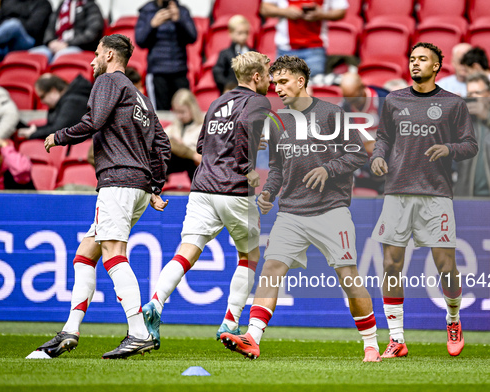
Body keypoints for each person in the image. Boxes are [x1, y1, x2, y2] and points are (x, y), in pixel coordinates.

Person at [221, 55, 381, 363]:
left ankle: (371, 345)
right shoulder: (278, 120)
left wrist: (329, 169)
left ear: (301, 81)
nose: (277, 88)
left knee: (348, 276)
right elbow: (278, 167)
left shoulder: (331, 113)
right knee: (270, 270)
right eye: (274, 82)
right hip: (291, 212)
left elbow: (358, 154)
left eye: (283, 82)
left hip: (330, 209)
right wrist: (268, 191)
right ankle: (252, 338)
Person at [28, 34, 172, 360]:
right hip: (136, 186)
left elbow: (94, 121)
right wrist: (154, 187)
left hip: (117, 182)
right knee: (85, 255)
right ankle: (70, 329)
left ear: (108, 54)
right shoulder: (141, 97)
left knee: (113, 254)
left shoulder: (109, 81)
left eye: (95, 55)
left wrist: (58, 136)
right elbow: (162, 146)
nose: (91, 62)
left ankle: (138, 332)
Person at [141, 51, 272, 349]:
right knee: (249, 255)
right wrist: (246, 164)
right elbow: (242, 137)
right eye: (266, 74)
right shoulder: (258, 101)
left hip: (201, 187)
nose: (270, 80)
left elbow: (202, 144)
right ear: (255, 77)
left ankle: (156, 303)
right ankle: (230, 321)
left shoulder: (217, 101)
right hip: (234, 188)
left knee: (186, 250)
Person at [370, 42, 478, 358]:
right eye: (412, 58)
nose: (415, 63)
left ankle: (454, 318)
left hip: (436, 193)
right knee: (391, 265)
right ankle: (397, 338)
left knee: (446, 266)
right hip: (397, 191)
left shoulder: (453, 104)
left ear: (436, 67)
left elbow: (470, 144)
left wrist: (450, 149)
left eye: (423, 59)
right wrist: (378, 156)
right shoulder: (393, 100)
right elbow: (384, 138)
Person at [135, 0, 197, 110]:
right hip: (158, 72)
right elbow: (140, 40)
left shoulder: (182, 11)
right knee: (160, 113)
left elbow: (193, 37)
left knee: (186, 110)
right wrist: (152, 24)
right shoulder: (147, 11)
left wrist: (179, 20)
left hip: (180, 70)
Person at [260, 0, 347, 76]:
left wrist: (322, 14)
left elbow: (341, 10)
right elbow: (264, 8)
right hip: (286, 48)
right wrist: (285, 11)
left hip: (315, 48)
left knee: (312, 87)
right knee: (285, 88)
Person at [339, 71, 388, 193]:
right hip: (362, 169)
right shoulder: (344, 108)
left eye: (356, 99)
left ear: (363, 87)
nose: (354, 104)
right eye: (349, 100)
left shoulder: (385, 101)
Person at [18, 74, 92, 140]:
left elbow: (58, 130)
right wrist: (34, 130)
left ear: (53, 91)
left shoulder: (73, 101)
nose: (41, 101)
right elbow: (52, 127)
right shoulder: (66, 100)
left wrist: (33, 134)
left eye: (42, 97)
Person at [29, 0, 105, 64]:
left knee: (61, 56)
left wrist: (67, 44)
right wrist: (50, 42)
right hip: (55, 45)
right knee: (34, 55)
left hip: (78, 46)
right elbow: (50, 28)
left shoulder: (91, 6)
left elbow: (92, 33)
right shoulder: (62, 6)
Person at [164, 88, 203, 180]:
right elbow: (162, 138)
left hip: (194, 166)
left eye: (182, 112)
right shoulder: (175, 125)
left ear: (192, 108)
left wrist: (180, 146)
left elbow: (199, 156)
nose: (179, 116)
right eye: (176, 112)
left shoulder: (202, 127)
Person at [213, 14, 254, 93]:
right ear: (231, 33)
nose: (244, 36)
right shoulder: (225, 54)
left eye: (246, 33)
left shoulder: (253, 53)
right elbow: (218, 73)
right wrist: (228, 85)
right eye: (240, 33)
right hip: (231, 92)